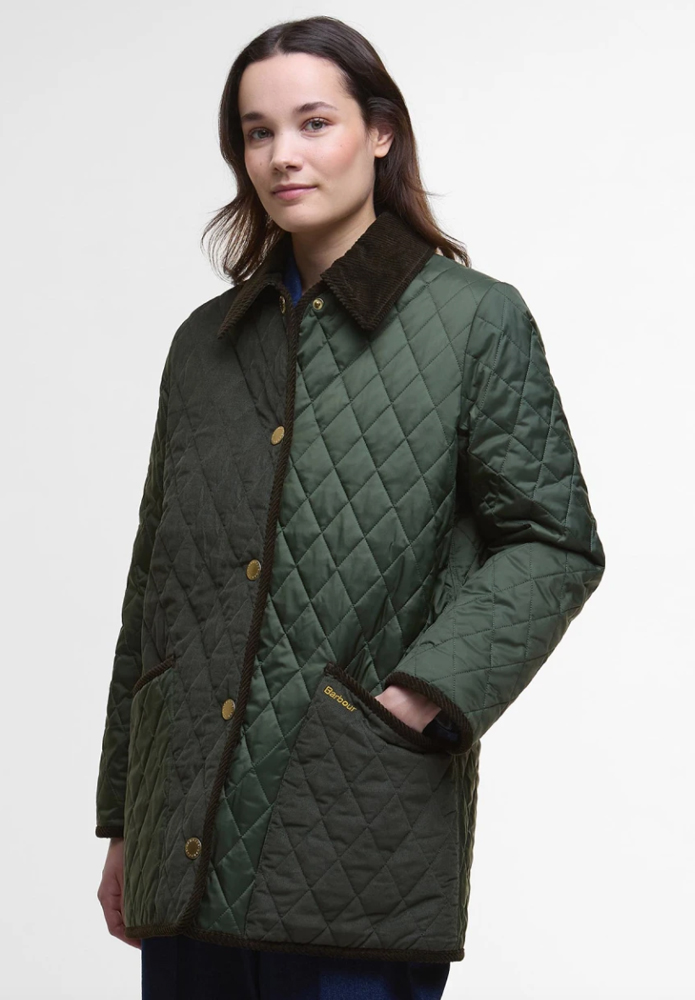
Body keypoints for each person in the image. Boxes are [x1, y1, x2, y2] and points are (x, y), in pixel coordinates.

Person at [95, 15, 605, 1000]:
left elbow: (553, 541)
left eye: (312, 122)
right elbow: (152, 590)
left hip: (353, 822)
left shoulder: (472, 321)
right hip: (182, 839)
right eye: (256, 133)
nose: (281, 155)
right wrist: (125, 818)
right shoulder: (204, 345)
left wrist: (420, 697)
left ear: (378, 132)